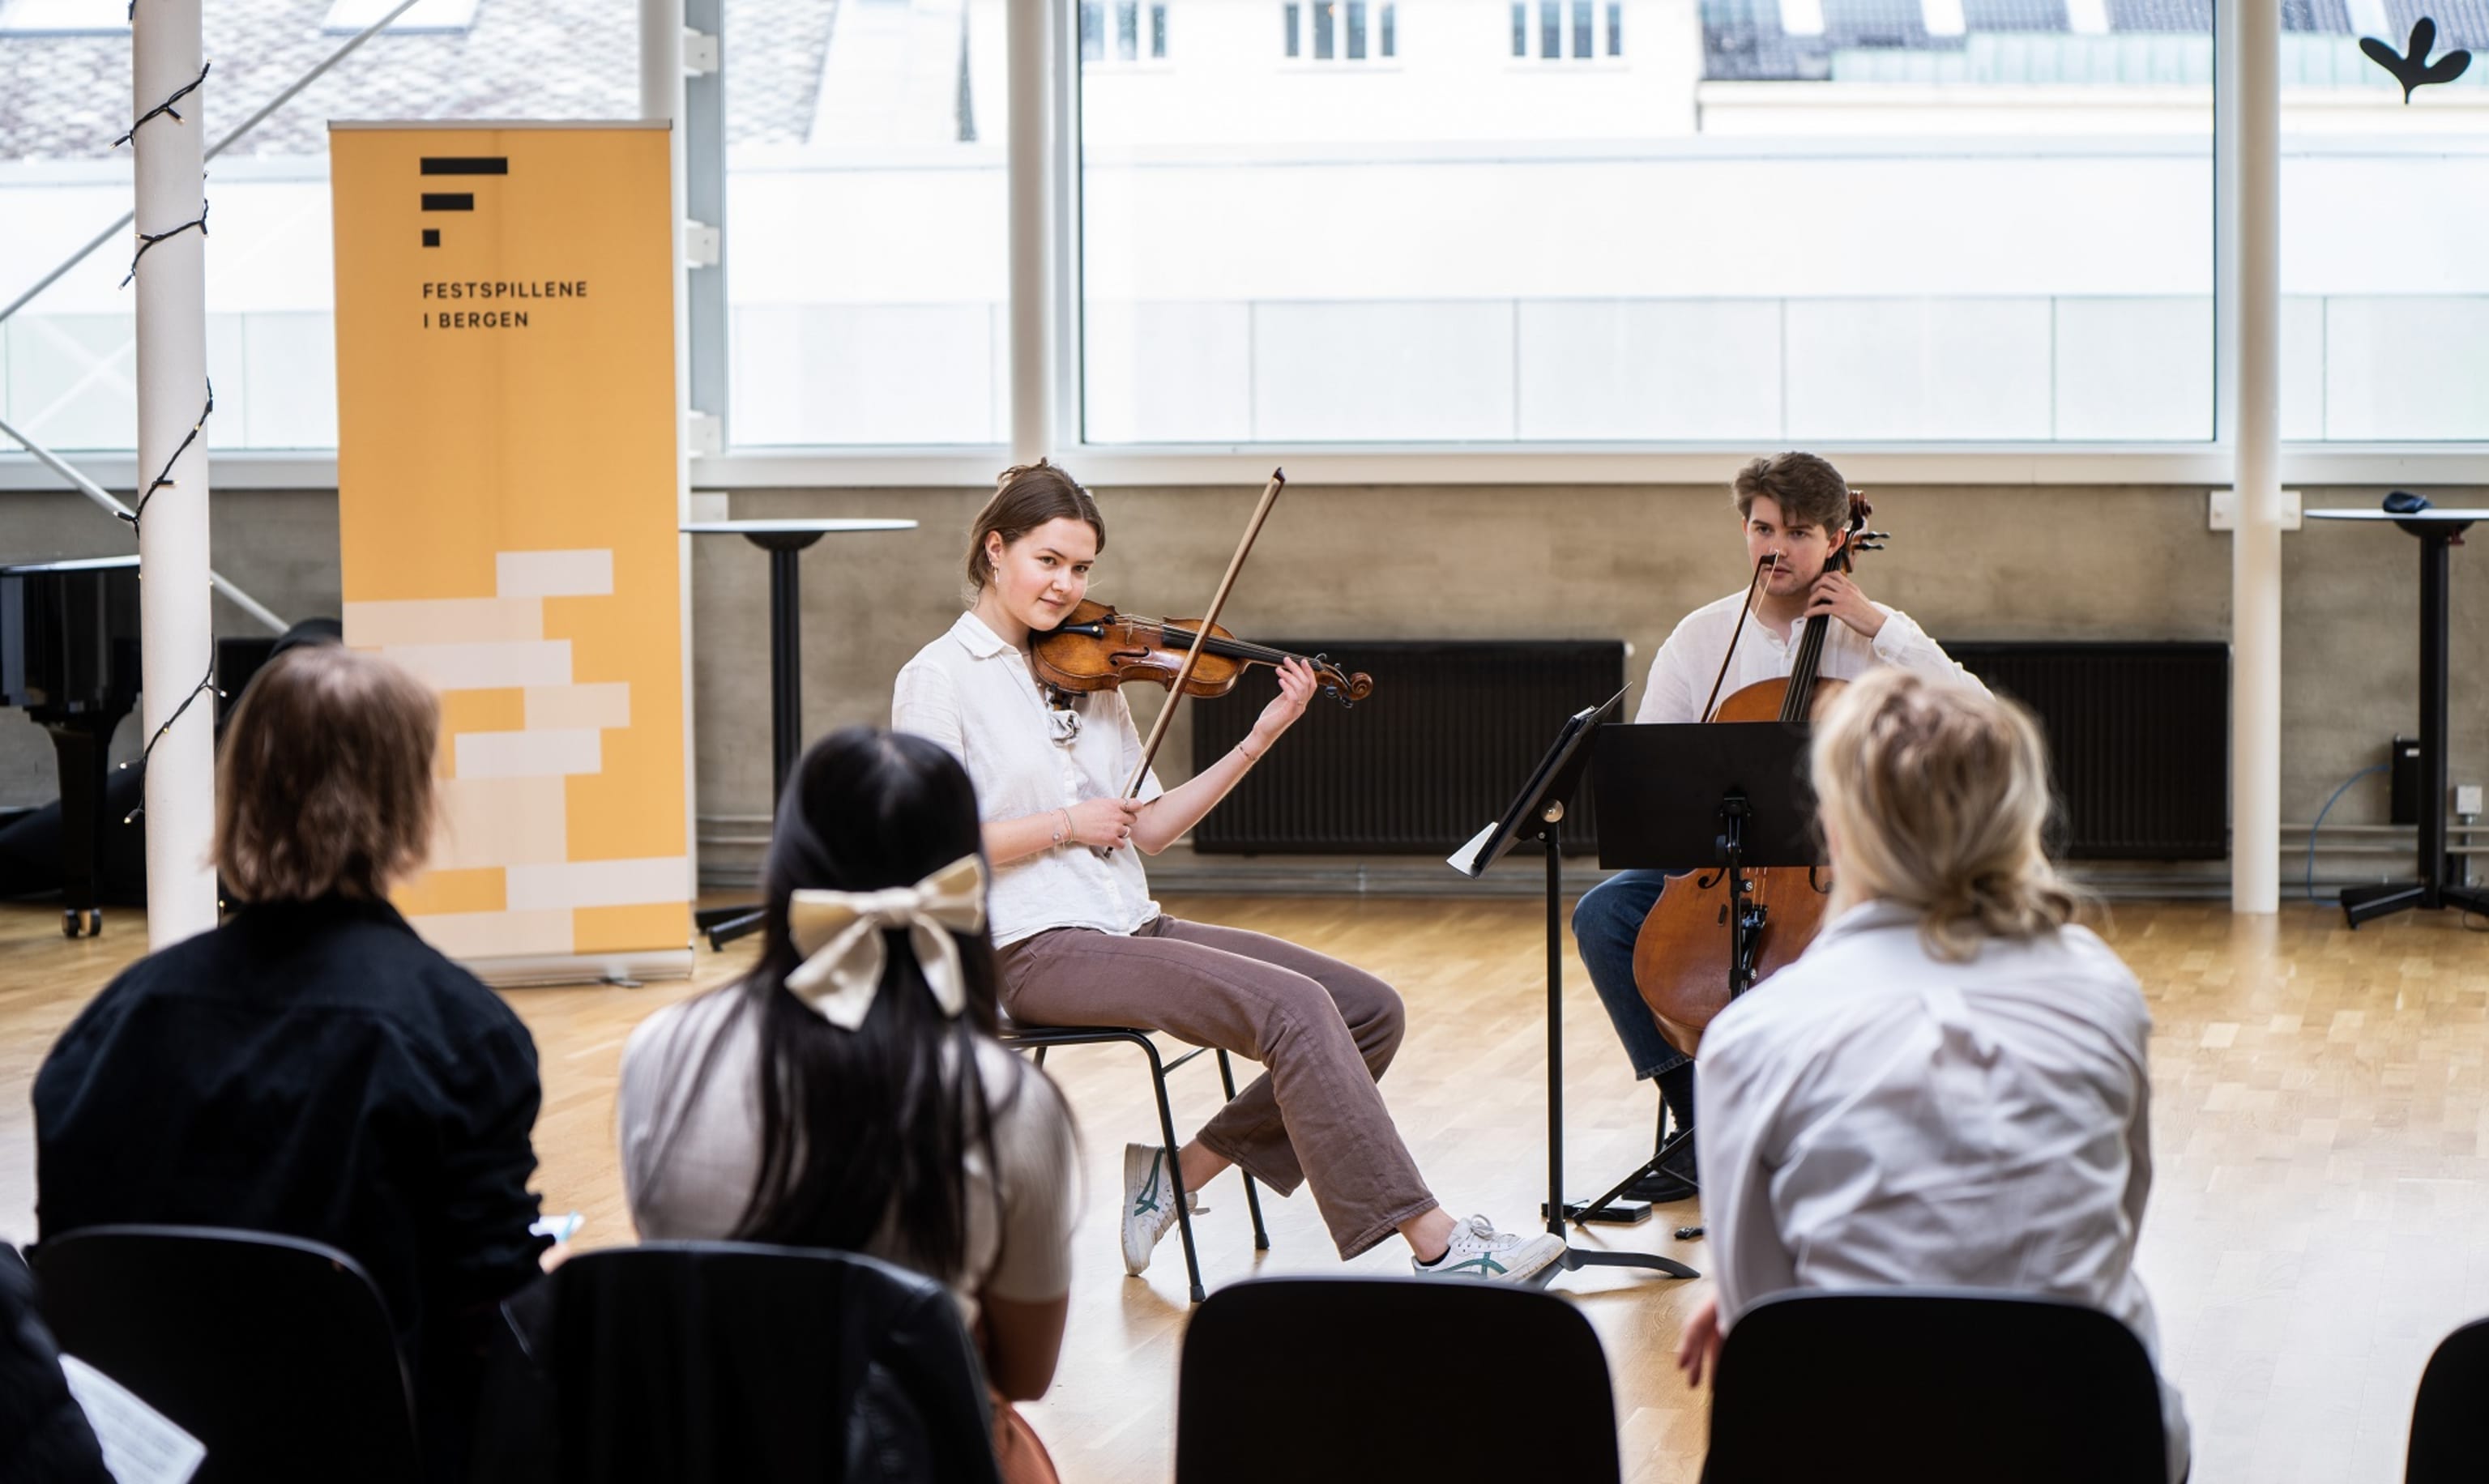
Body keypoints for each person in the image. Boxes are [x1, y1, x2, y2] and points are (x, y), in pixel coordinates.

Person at [892, 459, 1565, 1285]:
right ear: (995, 550)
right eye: (1049, 561)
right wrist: (1066, 822)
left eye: (1082, 567)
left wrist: (1263, 733)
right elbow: (928, 849)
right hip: (1026, 945)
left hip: (1124, 922)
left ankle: (1177, 1174)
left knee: (1368, 1009)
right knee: (1293, 1006)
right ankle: (1438, 1241)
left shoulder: (1091, 673)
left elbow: (1157, 828)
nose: (1067, 585)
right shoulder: (938, 676)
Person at [33, 643, 553, 1482]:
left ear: (239, 788)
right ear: (410, 801)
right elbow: (490, 1329)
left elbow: (79, 1276)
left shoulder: (106, 1030)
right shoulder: (462, 1034)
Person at [1672, 667, 2188, 1482]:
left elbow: (1758, 1308)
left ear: (1838, 830)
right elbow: (2117, 1218)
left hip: (1845, 1441)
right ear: (2016, 817)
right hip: (2088, 1429)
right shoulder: (2102, 989)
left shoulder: (1752, 1032)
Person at [619, 726, 1077, 1483]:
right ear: (969, 880)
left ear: (788, 866)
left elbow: (678, 1276)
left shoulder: (662, 1051)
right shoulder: (1007, 1101)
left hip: (702, 1446)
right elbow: (1026, 1372)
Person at [1571, 451, 1982, 1203]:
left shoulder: (1873, 640)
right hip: (1716, 866)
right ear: (1744, 529)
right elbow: (1655, 764)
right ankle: (1699, 1126)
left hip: (1843, 875)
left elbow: (1978, 718)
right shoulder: (1703, 637)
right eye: (1762, 529)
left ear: (1834, 540)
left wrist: (1879, 625)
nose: (1775, 549)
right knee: (1604, 915)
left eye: (1797, 533)